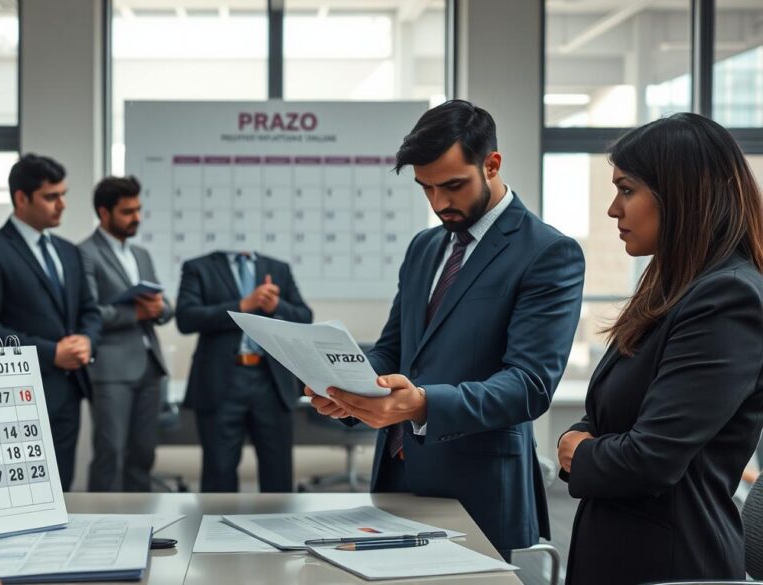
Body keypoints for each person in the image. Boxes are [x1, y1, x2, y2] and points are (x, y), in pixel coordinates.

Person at [306, 99, 585, 558]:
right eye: (426, 188)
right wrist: (346, 388)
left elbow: (528, 386)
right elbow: (394, 349)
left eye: (453, 185)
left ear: (491, 164)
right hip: (396, 477)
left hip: (479, 490)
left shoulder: (548, 253)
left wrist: (421, 405)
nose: (439, 203)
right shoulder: (424, 247)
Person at [556, 114, 763, 585]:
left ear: (682, 195)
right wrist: (586, 440)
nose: (613, 210)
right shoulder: (673, 288)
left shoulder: (727, 299)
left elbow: (651, 459)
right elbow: (613, 415)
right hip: (624, 550)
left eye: (627, 190)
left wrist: (579, 452)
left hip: (672, 563)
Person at [0, 153, 101, 492]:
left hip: (69, 388)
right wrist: (50, 352)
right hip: (18, 393)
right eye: (51, 197)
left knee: (62, 487)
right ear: (21, 198)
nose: (62, 205)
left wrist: (86, 340)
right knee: (23, 492)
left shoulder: (70, 252)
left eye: (63, 194)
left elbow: (90, 311)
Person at [176, 250, 312, 492]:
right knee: (219, 471)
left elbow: (304, 317)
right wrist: (242, 306)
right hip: (220, 381)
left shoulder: (277, 266)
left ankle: (281, 527)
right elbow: (186, 318)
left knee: (278, 471)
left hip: (271, 380)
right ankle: (216, 528)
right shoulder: (199, 266)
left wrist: (276, 306)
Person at [78, 176, 172, 492]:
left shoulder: (141, 254)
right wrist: (136, 313)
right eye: (127, 211)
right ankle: (100, 528)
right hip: (111, 368)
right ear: (104, 213)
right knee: (111, 452)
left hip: (150, 363)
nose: (136, 218)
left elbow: (163, 304)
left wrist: (159, 309)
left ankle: (142, 524)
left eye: (138, 209)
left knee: (144, 453)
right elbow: (88, 311)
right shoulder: (85, 253)